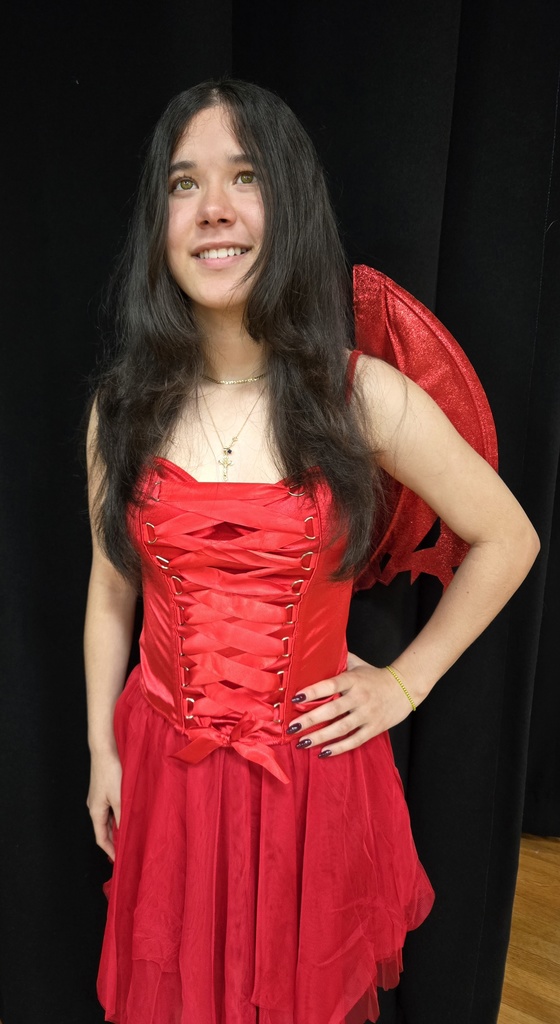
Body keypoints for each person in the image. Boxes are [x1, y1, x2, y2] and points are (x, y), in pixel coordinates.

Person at [84, 79, 539, 1024]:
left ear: (285, 204)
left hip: (308, 785)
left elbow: (509, 536)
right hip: (165, 770)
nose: (213, 209)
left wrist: (404, 685)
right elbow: (108, 598)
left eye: (243, 178)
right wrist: (101, 748)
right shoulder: (122, 407)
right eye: (183, 184)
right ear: (157, 219)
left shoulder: (360, 396)